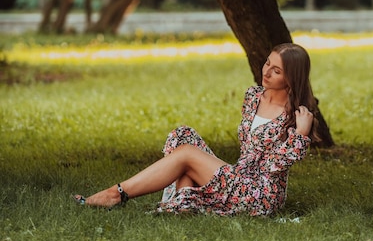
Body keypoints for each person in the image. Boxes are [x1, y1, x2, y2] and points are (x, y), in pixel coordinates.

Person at [73, 43, 319, 216]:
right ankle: (182, 205)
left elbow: (274, 167)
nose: (266, 72)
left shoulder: (296, 116)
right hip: (237, 177)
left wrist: (300, 135)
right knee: (183, 136)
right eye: (267, 63)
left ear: (291, 78)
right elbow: (246, 150)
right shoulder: (254, 96)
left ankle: (115, 195)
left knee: (188, 154)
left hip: (259, 194)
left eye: (276, 71)